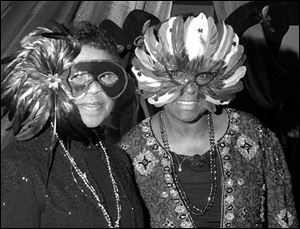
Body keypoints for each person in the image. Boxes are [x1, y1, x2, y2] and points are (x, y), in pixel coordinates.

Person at [119, 12, 299, 228]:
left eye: (203, 76)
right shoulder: (129, 152)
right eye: (176, 74)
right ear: (152, 72)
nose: (190, 89)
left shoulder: (253, 135)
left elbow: (283, 215)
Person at [1, 21, 147, 228]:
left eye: (106, 76)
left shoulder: (119, 159)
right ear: (50, 84)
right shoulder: (20, 166)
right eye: (78, 76)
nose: (96, 89)